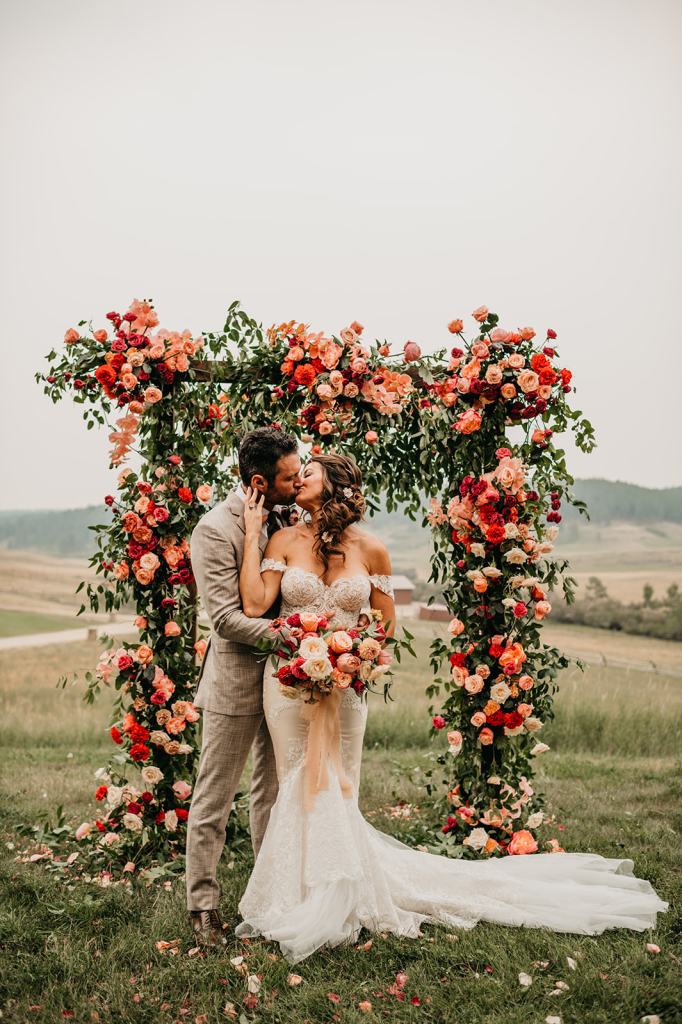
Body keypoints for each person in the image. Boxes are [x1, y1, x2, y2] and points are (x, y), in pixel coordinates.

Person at [234, 452, 669, 964]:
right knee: (300, 780)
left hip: (348, 687)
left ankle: (343, 895)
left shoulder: (372, 550)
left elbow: (386, 628)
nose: (298, 478)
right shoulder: (282, 540)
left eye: (309, 472)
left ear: (337, 485)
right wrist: (250, 532)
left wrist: (349, 658)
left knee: (341, 783)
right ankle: (300, 896)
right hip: (288, 684)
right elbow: (257, 605)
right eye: (297, 472)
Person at [185, 426, 301, 947]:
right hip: (235, 678)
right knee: (215, 794)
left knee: (272, 794)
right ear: (259, 481)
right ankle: (203, 906)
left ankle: (266, 895)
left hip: (283, 683)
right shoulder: (213, 529)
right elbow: (226, 618)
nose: (298, 484)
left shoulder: (289, 519)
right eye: (289, 477)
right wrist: (293, 638)